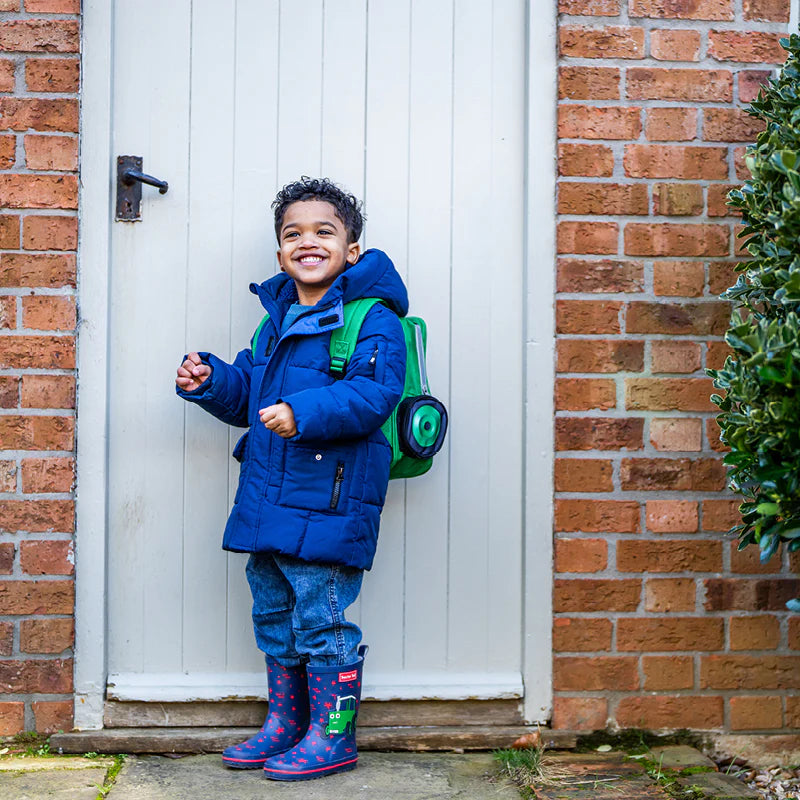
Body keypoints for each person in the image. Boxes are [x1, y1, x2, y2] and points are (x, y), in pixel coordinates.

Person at [175, 177, 407, 781]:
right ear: (280, 252)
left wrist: (303, 413)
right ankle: (287, 725)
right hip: (268, 495)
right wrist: (211, 383)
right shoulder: (274, 321)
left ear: (352, 249)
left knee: (322, 616)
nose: (308, 241)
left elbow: (373, 394)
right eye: (292, 233)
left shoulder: (371, 319)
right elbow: (251, 392)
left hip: (329, 499)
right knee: (274, 611)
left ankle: (333, 735)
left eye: (324, 231)